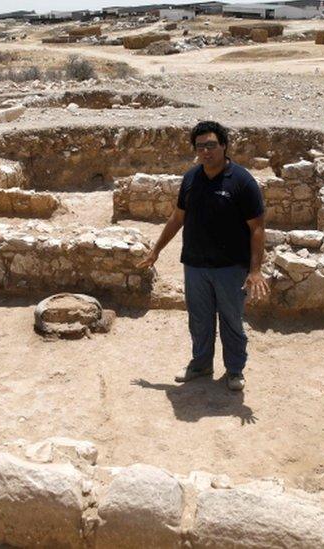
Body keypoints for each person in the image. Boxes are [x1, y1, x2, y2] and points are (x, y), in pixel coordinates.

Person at [137, 121, 269, 391]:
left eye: (211, 145)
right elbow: (178, 217)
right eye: (200, 147)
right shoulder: (191, 178)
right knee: (199, 318)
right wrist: (156, 250)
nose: (206, 152)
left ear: (224, 146)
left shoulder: (242, 181)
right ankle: (201, 364)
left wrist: (255, 271)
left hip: (230, 267)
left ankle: (234, 370)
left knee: (232, 320)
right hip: (195, 264)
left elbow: (257, 228)